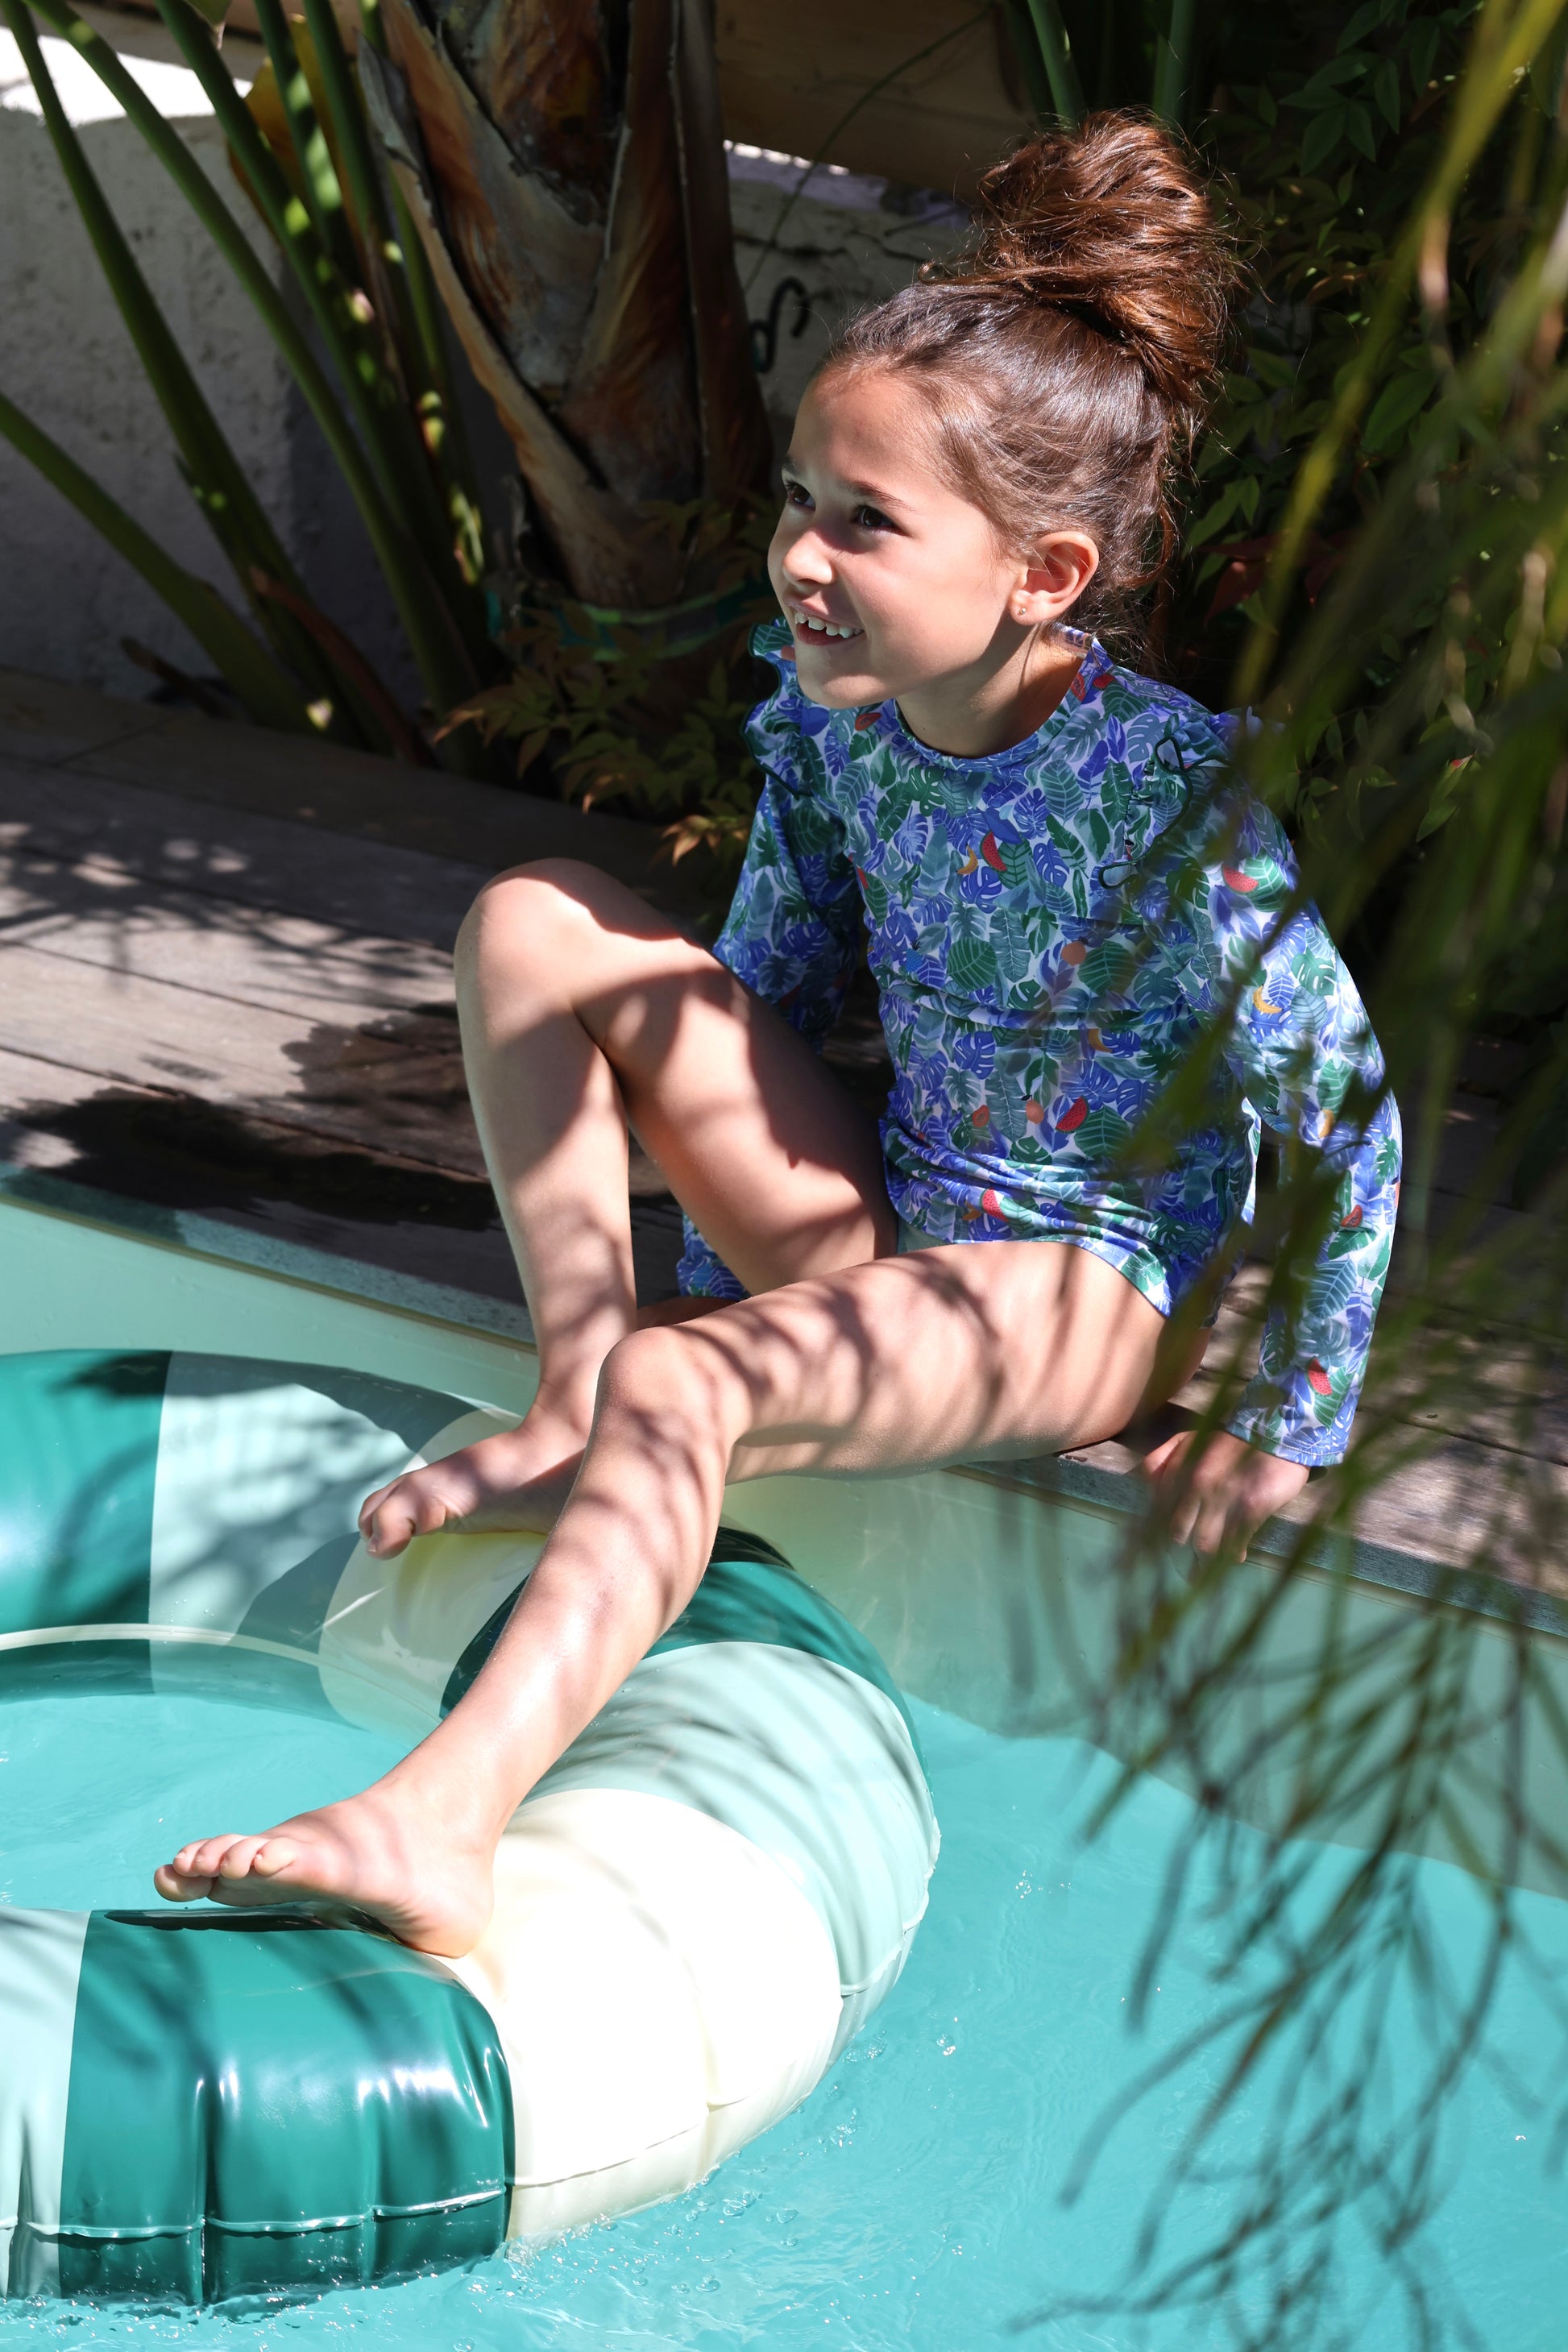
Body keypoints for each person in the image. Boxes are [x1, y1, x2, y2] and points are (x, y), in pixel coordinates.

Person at [154, 114, 1401, 1956]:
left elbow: (1346, 1110)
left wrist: (1292, 1427)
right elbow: (756, 995)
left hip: (1077, 1274)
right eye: (798, 498)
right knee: (531, 924)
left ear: (1042, 574)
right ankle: (584, 1386)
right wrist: (683, 1260)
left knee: (700, 1387)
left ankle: (439, 1815)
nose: (800, 556)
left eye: (864, 521)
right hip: (889, 1205)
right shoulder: (838, 721)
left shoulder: (1164, 797)